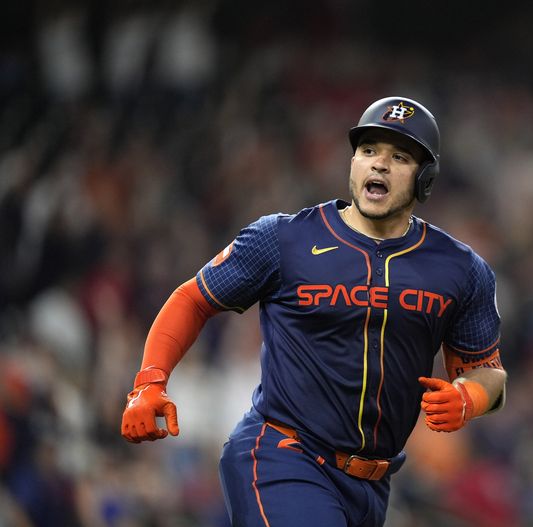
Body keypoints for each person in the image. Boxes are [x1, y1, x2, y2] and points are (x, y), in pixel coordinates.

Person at [120, 96, 508, 527]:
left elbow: (488, 371)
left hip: (372, 485)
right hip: (282, 456)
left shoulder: (461, 269)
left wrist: (469, 397)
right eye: (368, 151)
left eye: (399, 157)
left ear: (426, 178)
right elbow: (193, 299)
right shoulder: (284, 239)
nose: (378, 165)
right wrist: (149, 381)